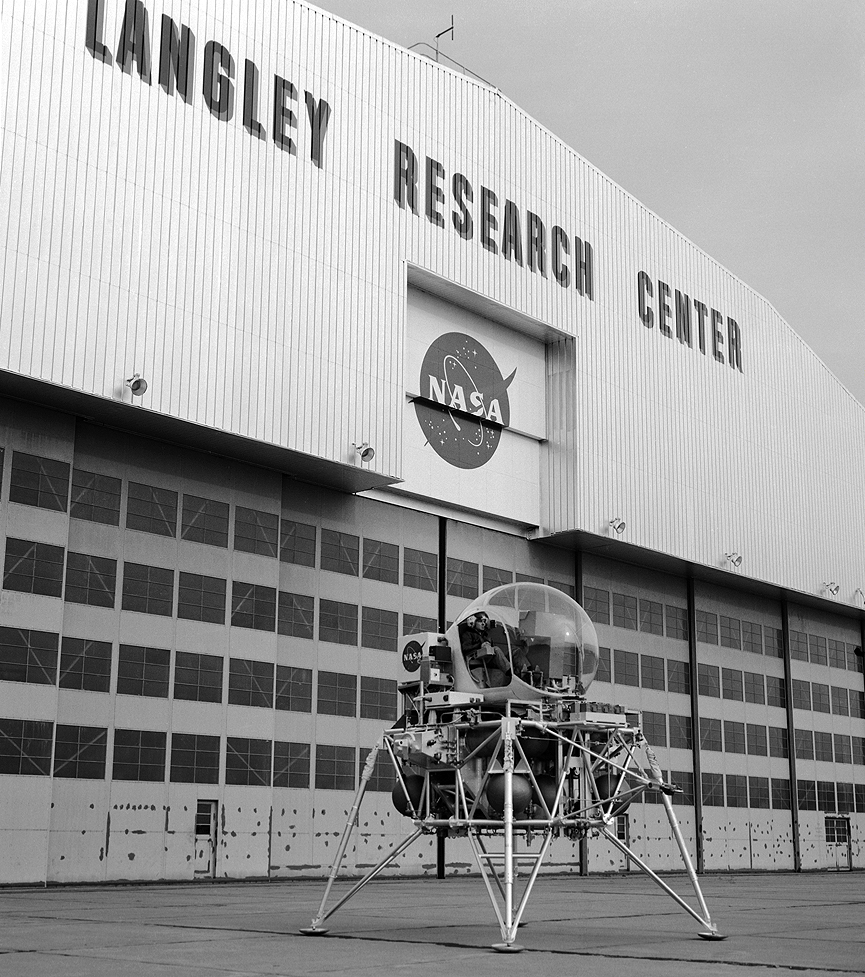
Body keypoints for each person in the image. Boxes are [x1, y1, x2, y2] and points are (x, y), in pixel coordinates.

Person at [459, 612, 511, 688]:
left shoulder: (486, 635)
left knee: (515, 651)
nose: (483, 624)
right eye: (480, 621)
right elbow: (465, 648)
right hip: (477, 657)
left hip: (489, 657)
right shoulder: (468, 634)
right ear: (473, 622)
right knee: (496, 649)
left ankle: (525, 672)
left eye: (484, 622)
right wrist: (480, 645)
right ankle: (510, 672)